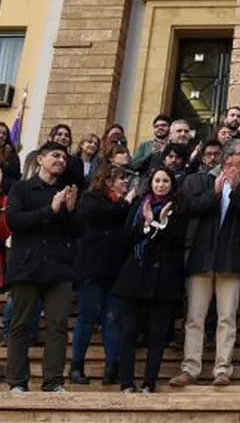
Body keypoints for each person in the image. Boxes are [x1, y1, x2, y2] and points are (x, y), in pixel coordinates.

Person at [168, 139, 240, 387]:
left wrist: (237, 189)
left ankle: (222, 369)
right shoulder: (203, 179)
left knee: (226, 317)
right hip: (202, 257)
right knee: (195, 317)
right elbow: (191, 208)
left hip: (231, 258)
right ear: (227, 157)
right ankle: (190, 368)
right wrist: (215, 192)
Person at [5, 141, 79, 393]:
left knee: (58, 326)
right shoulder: (21, 188)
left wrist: (69, 211)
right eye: (55, 156)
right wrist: (51, 210)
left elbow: (77, 233)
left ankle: (53, 381)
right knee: (21, 325)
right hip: (27, 266)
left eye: (64, 157)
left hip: (59, 268)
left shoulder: (66, 191)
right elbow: (14, 220)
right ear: (40, 159)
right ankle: (17, 382)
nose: (61, 160)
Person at [112, 166, 185, 393]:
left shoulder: (179, 208)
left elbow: (177, 240)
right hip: (134, 278)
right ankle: (126, 382)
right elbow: (126, 240)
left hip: (163, 281)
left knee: (157, 335)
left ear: (172, 184)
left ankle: (149, 382)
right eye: (156, 181)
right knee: (128, 332)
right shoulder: (138, 206)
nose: (160, 185)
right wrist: (146, 224)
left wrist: (159, 224)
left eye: (165, 181)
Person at [70, 163, 133, 386]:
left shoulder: (126, 206)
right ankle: (76, 366)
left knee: (112, 319)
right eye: (121, 179)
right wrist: (125, 203)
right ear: (108, 181)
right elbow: (99, 214)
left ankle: (112, 367)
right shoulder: (91, 199)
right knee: (87, 318)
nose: (125, 182)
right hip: (92, 269)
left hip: (116, 270)